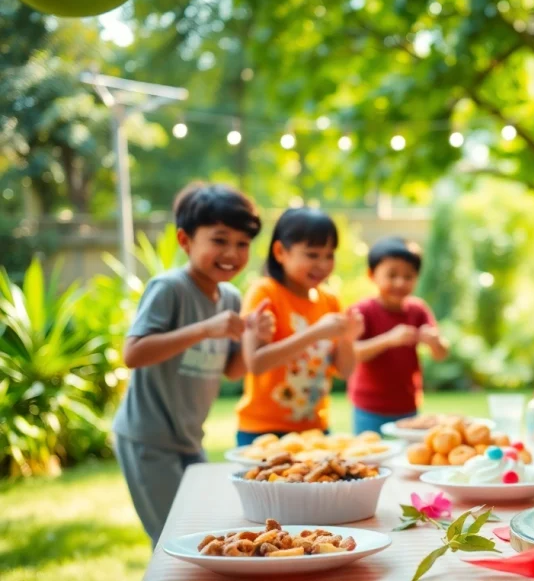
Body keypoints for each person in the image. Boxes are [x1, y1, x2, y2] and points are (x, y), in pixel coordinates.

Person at [113, 182, 269, 545]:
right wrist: (204, 329)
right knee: (175, 540)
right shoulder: (169, 288)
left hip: (188, 440)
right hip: (148, 438)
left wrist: (254, 337)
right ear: (185, 240)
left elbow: (232, 370)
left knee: (203, 534)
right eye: (219, 240)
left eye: (242, 243)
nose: (232, 252)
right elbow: (133, 353)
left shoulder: (229, 296)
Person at [235, 207, 364, 446]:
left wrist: (348, 338)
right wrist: (315, 333)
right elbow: (255, 363)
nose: (323, 264)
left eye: (329, 255)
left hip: (315, 432)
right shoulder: (265, 293)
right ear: (280, 252)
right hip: (263, 432)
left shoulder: (330, 300)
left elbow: (344, 371)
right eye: (312, 255)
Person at [349, 236, 448, 434]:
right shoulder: (362, 311)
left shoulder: (418, 310)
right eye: (392, 275)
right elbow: (351, 354)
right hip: (369, 407)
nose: (400, 282)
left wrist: (434, 341)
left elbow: (441, 354)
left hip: (407, 406)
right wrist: (388, 339)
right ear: (372, 275)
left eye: (408, 276)